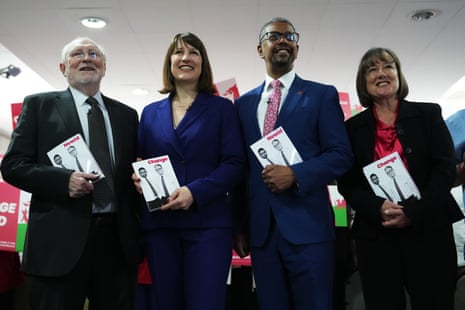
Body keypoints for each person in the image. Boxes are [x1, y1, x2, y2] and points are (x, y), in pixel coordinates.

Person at [0, 37, 142, 310]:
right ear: (63, 67)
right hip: (57, 243)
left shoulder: (127, 115)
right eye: (78, 54)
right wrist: (62, 181)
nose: (87, 58)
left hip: (116, 244)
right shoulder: (40, 106)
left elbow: (128, 173)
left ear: (104, 66)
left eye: (94, 54)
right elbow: (13, 165)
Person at [232, 17, 353, 310]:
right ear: (260, 49)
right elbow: (241, 169)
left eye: (290, 37)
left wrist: (296, 175)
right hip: (262, 233)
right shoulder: (242, 105)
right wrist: (239, 225)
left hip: (309, 228)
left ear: (297, 49)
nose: (283, 40)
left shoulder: (321, 95)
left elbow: (341, 155)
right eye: (273, 36)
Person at [337, 47, 464, 310]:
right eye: (372, 69)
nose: (381, 73)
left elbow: (445, 170)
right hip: (376, 235)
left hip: (429, 229)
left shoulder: (428, 114)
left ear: (398, 74)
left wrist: (414, 210)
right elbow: (347, 182)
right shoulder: (352, 128)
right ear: (363, 81)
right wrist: (377, 207)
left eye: (388, 67)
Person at [134, 32, 245, 310]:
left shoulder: (222, 109)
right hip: (160, 226)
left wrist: (194, 192)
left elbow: (234, 164)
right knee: (165, 303)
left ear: (203, 62)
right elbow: (141, 160)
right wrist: (137, 177)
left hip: (208, 224)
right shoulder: (150, 112)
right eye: (178, 52)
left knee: (206, 302)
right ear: (169, 62)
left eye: (193, 52)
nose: (185, 58)